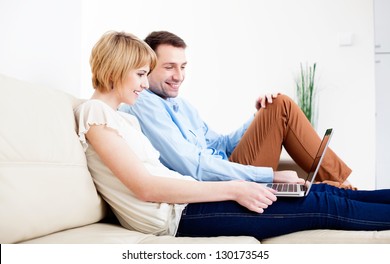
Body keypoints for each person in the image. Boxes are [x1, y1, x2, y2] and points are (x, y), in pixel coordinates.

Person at [74, 30, 390, 240]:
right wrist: (239, 187)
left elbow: (178, 166)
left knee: (327, 194)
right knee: (326, 205)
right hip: (182, 215)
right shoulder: (97, 113)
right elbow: (145, 188)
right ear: (116, 70)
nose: (144, 85)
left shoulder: (118, 119)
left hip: (188, 203)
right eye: (141, 74)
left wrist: (256, 127)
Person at [119, 31, 353, 189]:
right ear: (148, 67)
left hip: (228, 166)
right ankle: (346, 189)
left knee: (275, 104)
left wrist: (258, 117)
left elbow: (220, 145)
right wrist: (270, 176)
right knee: (281, 105)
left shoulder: (182, 106)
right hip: (220, 186)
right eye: (169, 67)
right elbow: (193, 166)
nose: (179, 76)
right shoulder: (143, 102)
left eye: (182, 67)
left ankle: (344, 187)